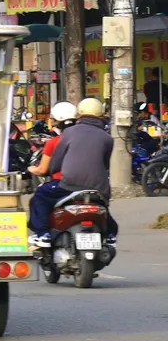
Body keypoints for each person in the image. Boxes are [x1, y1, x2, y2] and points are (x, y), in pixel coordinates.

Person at [28, 97, 117, 248]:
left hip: (69, 184)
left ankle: (43, 235)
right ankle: (110, 235)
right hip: (99, 188)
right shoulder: (107, 138)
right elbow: (105, 164)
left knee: (41, 196)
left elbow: (55, 162)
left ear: (79, 114)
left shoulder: (69, 133)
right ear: (101, 115)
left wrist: (50, 171)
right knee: (102, 208)